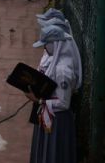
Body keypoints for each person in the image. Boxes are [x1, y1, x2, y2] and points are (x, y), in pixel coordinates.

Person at [27, 25, 81, 163]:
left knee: (55, 154)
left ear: (55, 44)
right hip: (51, 116)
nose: (44, 48)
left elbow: (63, 103)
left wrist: (39, 101)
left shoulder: (62, 70)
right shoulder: (56, 63)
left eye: (46, 44)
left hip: (58, 120)